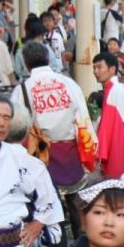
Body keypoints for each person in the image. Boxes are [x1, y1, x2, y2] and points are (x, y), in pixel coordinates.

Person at [0, 94, 61, 247]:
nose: (1, 123)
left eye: (6, 118)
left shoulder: (18, 156)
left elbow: (47, 194)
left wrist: (38, 223)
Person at [12, 40, 97, 192]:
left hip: (41, 154)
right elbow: (83, 118)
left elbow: (16, 125)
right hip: (70, 154)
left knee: (47, 201)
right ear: (48, 58)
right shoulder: (69, 83)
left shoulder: (23, 89)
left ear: (25, 63)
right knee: (75, 201)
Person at [93, 51, 124, 178]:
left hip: (119, 144)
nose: (96, 71)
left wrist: (100, 154)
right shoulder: (121, 88)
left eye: (99, 67)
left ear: (112, 69)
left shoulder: (113, 90)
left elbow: (107, 127)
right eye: (94, 68)